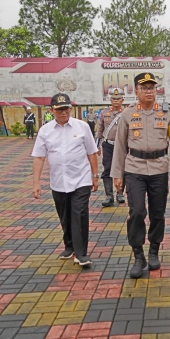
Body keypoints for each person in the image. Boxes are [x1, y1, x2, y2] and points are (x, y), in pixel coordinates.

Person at [111, 72, 170, 279]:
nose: (149, 91)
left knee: (157, 213)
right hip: (134, 169)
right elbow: (119, 146)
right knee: (136, 212)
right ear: (136, 92)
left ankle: (153, 251)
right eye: (144, 88)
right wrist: (117, 175)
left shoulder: (166, 113)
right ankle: (138, 256)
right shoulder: (127, 114)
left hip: (159, 169)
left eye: (152, 87)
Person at [31, 93, 99, 267]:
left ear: (71, 109)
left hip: (81, 179)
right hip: (58, 182)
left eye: (66, 109)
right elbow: (39, 157)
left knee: (79, 214)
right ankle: (69, 245)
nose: (63, 112)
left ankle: (81, 253)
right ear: (51, 110)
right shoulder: (45, 131)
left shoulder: (82, 127)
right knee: (65, 215)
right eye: (59, 109)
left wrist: (95, 175)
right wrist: (36, 183)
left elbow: (92, 152)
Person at [96, 88, 126, 207]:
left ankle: (120, 193)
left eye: (118, 99)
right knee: (107, 168)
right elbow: (99, 130)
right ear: (110, 99)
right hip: (108, 145)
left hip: (122, 146)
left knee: (122, 169)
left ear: (122, 100)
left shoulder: (126, 113)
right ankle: (109, 195)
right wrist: (96, 146)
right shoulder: (104, 113)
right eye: (114, 98)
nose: (116, 101)